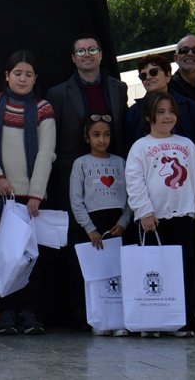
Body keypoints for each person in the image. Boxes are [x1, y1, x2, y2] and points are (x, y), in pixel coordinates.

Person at [124, 53, 195, 327]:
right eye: (160, 113)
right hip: (154, 220)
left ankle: (187, 316)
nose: (167, 117)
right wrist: (144, 211)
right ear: (149, 117)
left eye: (171, 112)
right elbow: (135, 181)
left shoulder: (186, 144)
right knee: (157, 269)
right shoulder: (140, 147)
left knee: (186, 267)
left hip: (184, 217)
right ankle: (155, 317)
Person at [45, 36, 127, 329]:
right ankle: (80, 311)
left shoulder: (118, 88)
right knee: (78, 247)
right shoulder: (57, 93)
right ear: (73, 57)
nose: (87, 54)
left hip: (112, 179)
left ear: (102, 54)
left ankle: (114, 310)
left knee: (114, 245)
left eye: (92, 49)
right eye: (81, 50)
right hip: (74, 178)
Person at [0, 50, 56, 335]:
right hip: (1, 196)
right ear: (7, 76)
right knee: (4, 256)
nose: (22, 78)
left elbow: (47, 152)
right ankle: (7, 313)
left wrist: (36, 193)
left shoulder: (44, 108)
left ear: (35, 79)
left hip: (31, 198)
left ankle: (30, 313)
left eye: (28, 74)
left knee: (31, 258)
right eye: (17, 73)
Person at [68, 114, 131, 336]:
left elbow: (130, 198)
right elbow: (76, 200)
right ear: (86, 138)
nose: (102, 140)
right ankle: (98, 319)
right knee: (94, 274)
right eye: (96, 135)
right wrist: (89, 228)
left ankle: (118, 320)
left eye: (106, 135)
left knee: (117, 273)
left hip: (116, 225)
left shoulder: (120, 162)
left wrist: (123, 222)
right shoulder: (81, 164)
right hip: (93, 225)